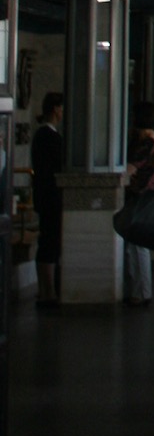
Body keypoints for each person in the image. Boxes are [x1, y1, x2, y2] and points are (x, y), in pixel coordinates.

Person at [120, 100, 154, 307]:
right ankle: (139, 290)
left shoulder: (146, 143)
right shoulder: (152, 141)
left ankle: (141, 291)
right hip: (144, 195)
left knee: (136, 246)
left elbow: (132, 167)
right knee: (135, 246)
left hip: (139, 196)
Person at [30, 91, 64, 312]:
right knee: (50, 242)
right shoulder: (49, 137)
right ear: (55, 109)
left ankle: (46, 290)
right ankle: (48, 291)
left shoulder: (40, 137)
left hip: (44, 195)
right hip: (51, 196)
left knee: (48, 241)